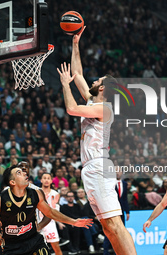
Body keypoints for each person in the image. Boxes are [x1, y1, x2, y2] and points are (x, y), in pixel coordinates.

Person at [57, 27, 136, 255]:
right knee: (108, 227)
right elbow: (78, 73)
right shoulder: (93, 102)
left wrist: (64, 85)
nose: (93, 79)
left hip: (99, 167)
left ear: (102, 87)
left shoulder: (104, 108)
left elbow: (71, 108)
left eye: (98, 79)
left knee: (116, 225)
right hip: (91, 169)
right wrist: (75, 44)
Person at [0, 165, 93, 255]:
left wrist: (73, 221)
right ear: (12, 182)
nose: (25, 173)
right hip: (12, 245)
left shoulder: (35, 194)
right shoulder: (0, 199)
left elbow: (50, 212)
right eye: (19, 173)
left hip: (34, 240)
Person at [103, 169, 130, 254]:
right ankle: (106, 251)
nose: (117, 173)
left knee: (121, 233)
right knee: (110, 232)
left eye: (119, 171)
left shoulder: (125, 184)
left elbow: (124, 199)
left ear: (122, 173)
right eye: (116, 171)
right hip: (111, 211)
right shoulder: (109, 183)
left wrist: (127, 211)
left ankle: (118, 252)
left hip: (121, 212)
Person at [39, 173, 63, 255]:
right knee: (38, 248)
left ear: (51, 181)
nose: (46, 180)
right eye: (44, 178)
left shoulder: (55, 194)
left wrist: (58, 221)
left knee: (56, 247)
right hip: (38, 222)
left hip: (50, 223)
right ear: (41, 180)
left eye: (48, 178)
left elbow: (56, 210)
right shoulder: (36, 192)